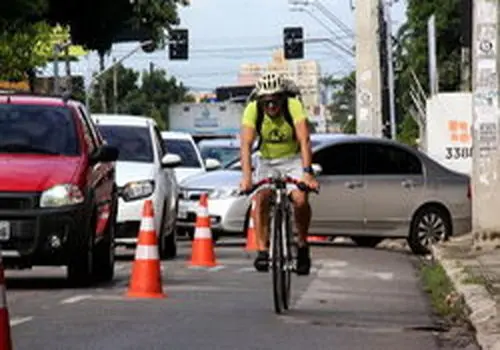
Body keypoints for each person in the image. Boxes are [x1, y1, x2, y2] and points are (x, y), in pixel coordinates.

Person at [239, 72, 319, 276]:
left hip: (292, 159)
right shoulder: (252, 110)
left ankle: (301, 245)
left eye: (275, 102)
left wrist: (307, 174)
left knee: (300, 200)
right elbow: (246, 145)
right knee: (262, 197)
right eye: (266, 103)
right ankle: (263, 250)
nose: (271, 107)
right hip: (267, 160)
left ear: (282, 99)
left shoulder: (293, 107)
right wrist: (247, 177)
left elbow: (304, 140)